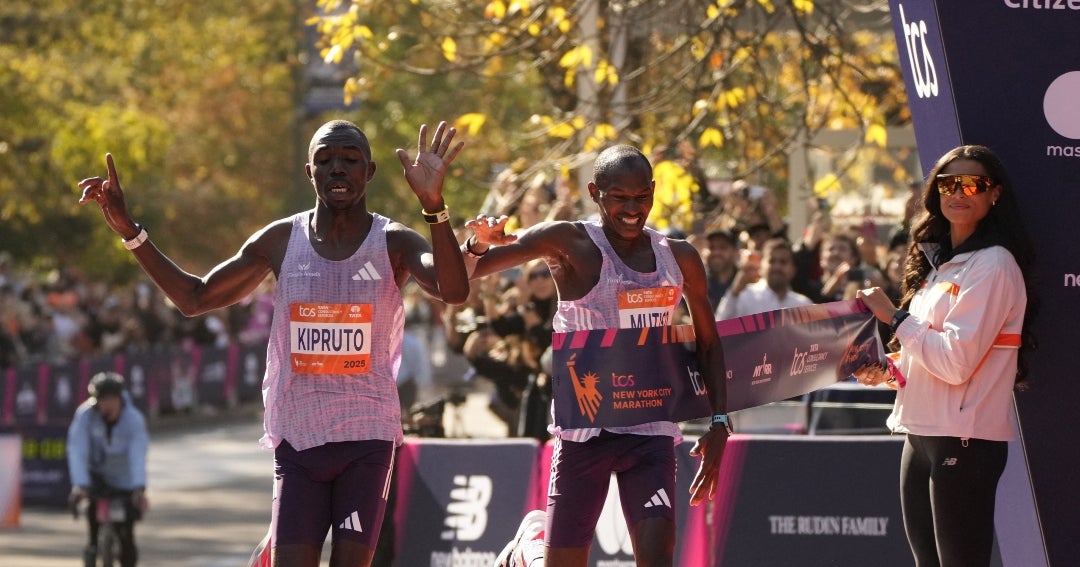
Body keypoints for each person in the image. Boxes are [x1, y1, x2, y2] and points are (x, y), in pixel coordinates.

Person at [78, 120, 469, 567]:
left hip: (367, 437)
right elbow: (194, 298)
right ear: (309, 172)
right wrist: (130, 229)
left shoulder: (393, 241)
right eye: (325, 161)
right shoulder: (282, 240)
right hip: (298, 440)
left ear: (370, 171)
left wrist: (434, 207)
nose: (337, 169)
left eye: (349, 160)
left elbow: (453, 290)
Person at [464, 145, 729, 567]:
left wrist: (719, 422)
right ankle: (530, 545)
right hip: (585, 430)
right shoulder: (569, 242)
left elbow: (710, 342)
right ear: (594, 192)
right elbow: (464, 274)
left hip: (650, 426)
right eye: (618, 197)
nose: (631, 208)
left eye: (641, 196)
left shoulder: (679, 257)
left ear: (654, 192)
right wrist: (476, 245)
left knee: (658, 558)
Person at [854, 145, 1037, 567]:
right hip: (921, 431)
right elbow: (926, 354)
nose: (959, 192)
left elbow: (955, 363)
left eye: (973, 183)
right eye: (948, 183)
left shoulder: (994, 265)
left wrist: (895, 317)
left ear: (995, 194)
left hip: (965, 438)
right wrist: (886, 369)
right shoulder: (937, 265)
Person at [67, 371, 149, 567]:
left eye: (112, 399)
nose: (108, 405)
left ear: (120, 398)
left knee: (126, 535)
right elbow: (77, 449)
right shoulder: (85, 416)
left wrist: (139, 487)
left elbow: (138, 454)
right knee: (94, 522)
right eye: (103, 400)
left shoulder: (134, 420)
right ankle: (93, 548)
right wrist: (80, 485)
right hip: (97, 477)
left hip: (125, 479)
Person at [715, 237, 813, 321]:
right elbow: (720, 328)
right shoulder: (744, 296)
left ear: (793, 270)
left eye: (783, 262)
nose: (777, 267)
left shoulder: (803, 305)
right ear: (761, 266)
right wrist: (734, 292)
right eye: (772, 261)